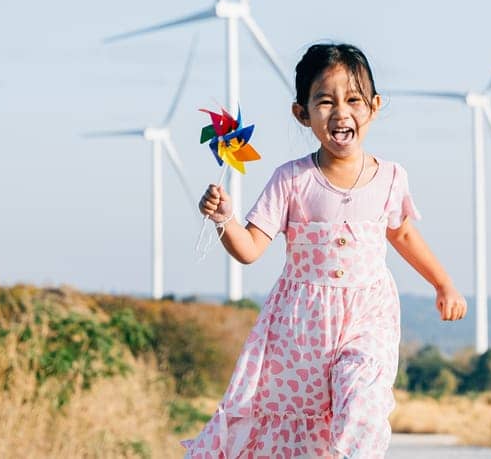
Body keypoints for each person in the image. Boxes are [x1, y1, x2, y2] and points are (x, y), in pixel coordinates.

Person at [183, 42, 467, 458]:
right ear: (302, 112)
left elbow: (403, 235)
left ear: (374, 105)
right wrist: (224, 218)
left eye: (353, 99)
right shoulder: (292, 180)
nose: (340, 112)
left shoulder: (390, 177)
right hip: (302, 327)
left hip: (367, 314)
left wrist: (444, 284)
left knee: (364, 401)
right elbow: (250, 249)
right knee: (304, 426)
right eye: (325, 101)